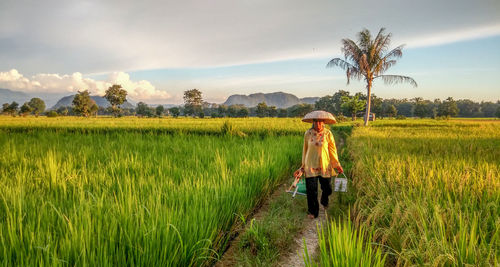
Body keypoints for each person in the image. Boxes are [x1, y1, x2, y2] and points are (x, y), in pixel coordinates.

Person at [294, 111, 343, 219]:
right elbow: (305, 150)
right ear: (313, 122)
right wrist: (302, 167)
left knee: (328, 188)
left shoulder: (328, 134)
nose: (318, 124)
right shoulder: (308, 133)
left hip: (325, 166)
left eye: (320, 122)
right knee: (311, 190)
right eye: (316, 122)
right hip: (310, 165)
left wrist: (337, 164)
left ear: (324, 122)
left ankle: (324, 199)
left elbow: (332, 150)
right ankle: (313, 212)